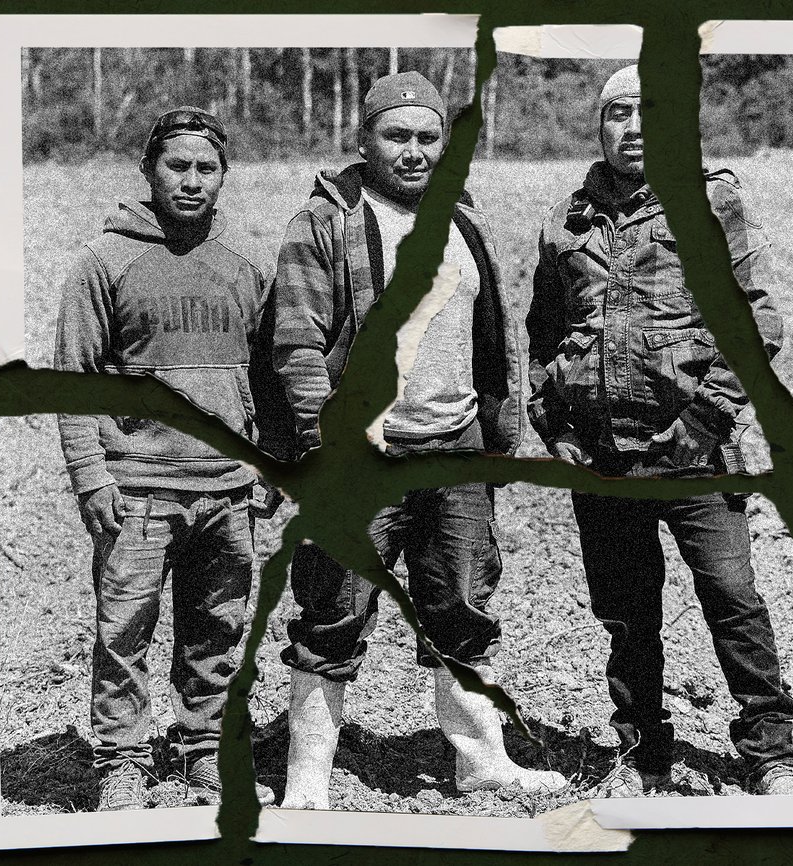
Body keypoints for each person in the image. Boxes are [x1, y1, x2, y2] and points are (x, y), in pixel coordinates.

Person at [266, 71, 565, 809]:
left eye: (428, 137)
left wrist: (498, 431)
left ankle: (479, 762)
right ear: (364, 139)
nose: (413, 151)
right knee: (334, 610)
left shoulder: (462, 221)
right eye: (396, 135)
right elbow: (297, 347)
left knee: (462, 608)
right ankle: (307, 779)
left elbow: (492, 337)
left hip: (456, 449)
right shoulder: (326, 222)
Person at [527, 65, 793, 798]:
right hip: (601, 455)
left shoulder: (711, 201)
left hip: (694, 449)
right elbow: (543, 329)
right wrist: (551, 420)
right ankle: (643, 754)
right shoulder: (568, 217)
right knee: (627, 614)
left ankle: (771, 753)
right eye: (619, 113)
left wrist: (707, 417)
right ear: (600, 125)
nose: (635, 128)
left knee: (732, 596)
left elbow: (757, 320)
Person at [55, 107, 280, 810]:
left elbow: (270, 378)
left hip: (227, 489)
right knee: (122, 630)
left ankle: (202, 750)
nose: (191, 181)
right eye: (176, 166)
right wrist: (91, 476)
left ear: (224, 175)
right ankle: (120, 761)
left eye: (205, 168)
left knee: (217, 628)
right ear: (148, 171)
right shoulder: (104, 261)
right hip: (138, 489)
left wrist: (269, 463)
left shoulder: (248, 261)